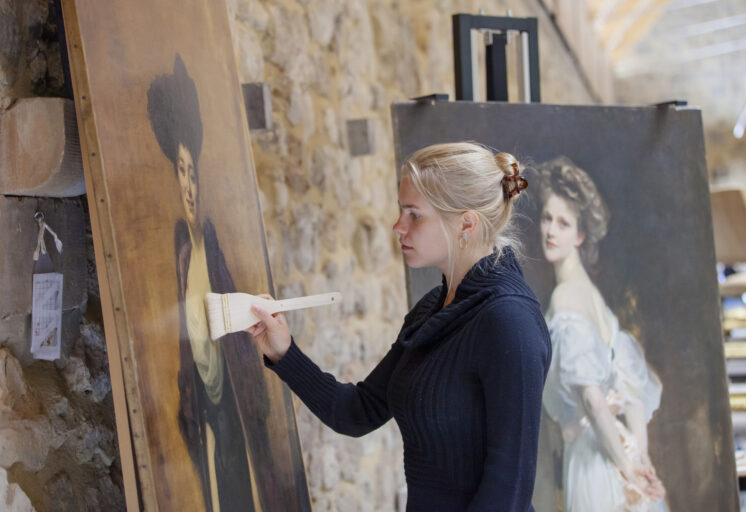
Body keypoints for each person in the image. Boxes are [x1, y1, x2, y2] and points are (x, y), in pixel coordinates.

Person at [247, 142, 552, 512]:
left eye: (414, 215)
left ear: (466, 224)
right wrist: (283, 352)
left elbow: (509, 491)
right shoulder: (432, 310)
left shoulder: (510, 323)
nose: (398, 227)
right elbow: (358, 412)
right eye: (400, 211)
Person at [147, 54, 285, 511]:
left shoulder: (211, 246)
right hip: (205, 407)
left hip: (233, 407)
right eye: (180, 172)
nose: (188, 184)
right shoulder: (179, 252)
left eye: (193, 172)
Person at [536, 156, 667, 511]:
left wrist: (627, 469)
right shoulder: (594, 297)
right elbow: (632, 395)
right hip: (620, 442)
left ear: (580, 235)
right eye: (547, 218)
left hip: (596, 457)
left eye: (563, 224)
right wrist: (639, 456)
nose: (550, 231)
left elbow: (594, 400)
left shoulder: (566, 299)